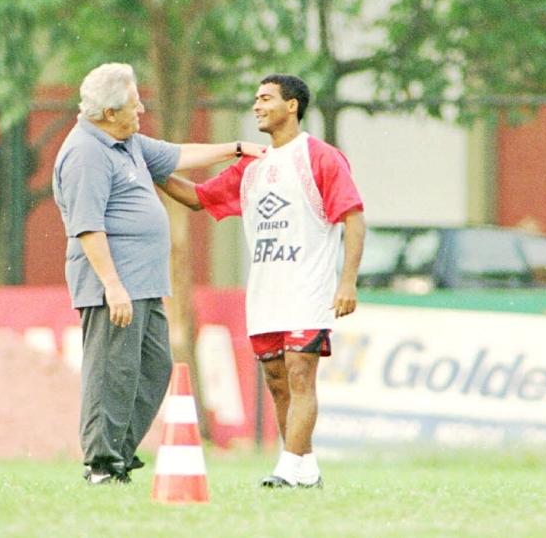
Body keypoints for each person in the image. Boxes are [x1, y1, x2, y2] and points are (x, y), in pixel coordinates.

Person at [52, 62, 264, 485]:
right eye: (133, 104)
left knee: (152, 367)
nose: (142, 109)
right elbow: (88, 226)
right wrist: (112, 286)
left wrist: (237, 148)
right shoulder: (86, 153)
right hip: (113, 286)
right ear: (109, 112)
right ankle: (101, 464)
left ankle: (120, 455)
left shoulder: (126, 142)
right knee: (111, 371)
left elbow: (178, 154)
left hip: (145, 284)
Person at [159, 74, 365, 488]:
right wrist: (150, 168)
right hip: (266, 294)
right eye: (254, 98)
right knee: (276, 382)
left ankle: (287, 467)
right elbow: (198, 198)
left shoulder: (321, 157)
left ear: (292, 106)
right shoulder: (251, 166)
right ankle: (306, 469)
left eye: (266, 98)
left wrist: (347, 282)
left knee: (301, 373)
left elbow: (353, 217)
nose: (256, 105)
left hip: (308, 289)